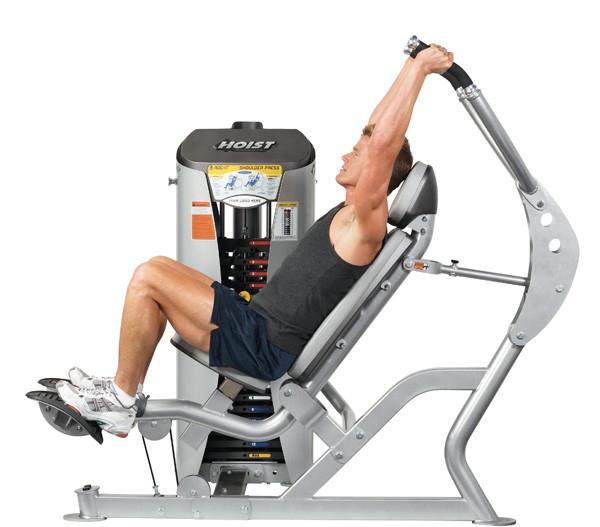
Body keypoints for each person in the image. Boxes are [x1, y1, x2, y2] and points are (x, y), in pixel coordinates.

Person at [57, 44, 453, 437]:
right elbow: (376, 131)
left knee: (147, 279)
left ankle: (120, 399)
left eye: (356, 154)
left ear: (378, 173)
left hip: (262, 344)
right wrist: (409, 64)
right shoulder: (352, 213)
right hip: (253, 323)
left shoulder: (367, 225)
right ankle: (122, 391)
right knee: (157, 267)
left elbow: (382, 144)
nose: (345, 156)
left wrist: (421, 71)